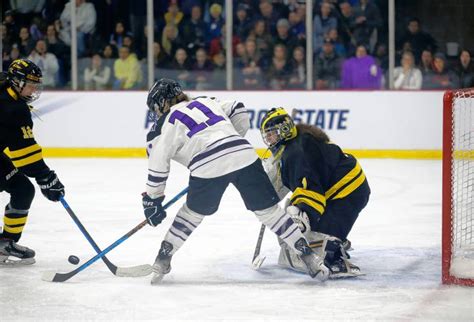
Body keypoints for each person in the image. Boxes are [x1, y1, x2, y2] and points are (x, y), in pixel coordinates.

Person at [142, 78, 330, 284]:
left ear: (162, 103)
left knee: (191, 215)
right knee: (270, 212)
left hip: (207, 165)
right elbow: (238, 109)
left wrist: (153, 199)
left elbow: (158, 162)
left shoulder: (165, 123)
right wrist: (230, 141)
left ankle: (163, 258)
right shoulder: (206, 101)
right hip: (244, 154)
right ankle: (307, 255)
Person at [259, 107, 370, 278]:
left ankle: (334, 256)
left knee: (298, 216)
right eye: (267, 135)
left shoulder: (296, 151)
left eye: (271, 133)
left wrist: (300, 220)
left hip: (348, 191)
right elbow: (297, 183)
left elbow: (310, 189)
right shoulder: (293, 147)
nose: (269, 138)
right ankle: (332, 237)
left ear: (283, 129)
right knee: (294, 209)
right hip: (336, 190)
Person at [0, 59, 65, 265]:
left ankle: (5, 243)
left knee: (22, 189)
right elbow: (25, 155)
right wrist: (46, 177)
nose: (34, 89)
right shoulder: (14, 108)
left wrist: (43, 175)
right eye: (31, 84)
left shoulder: (5, 84)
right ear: (17, 82)